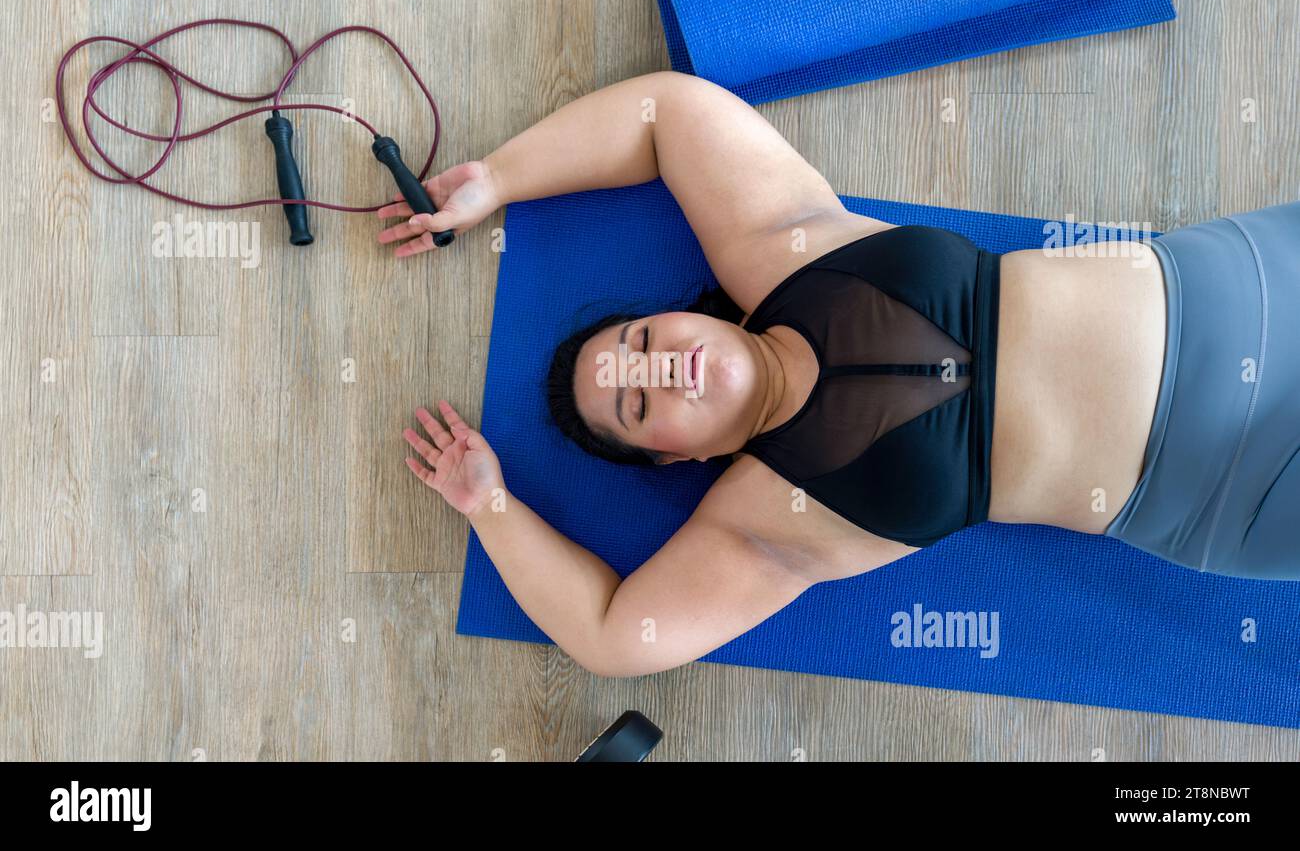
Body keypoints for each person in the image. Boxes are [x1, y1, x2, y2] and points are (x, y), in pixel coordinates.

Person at [377, 71, 1300, 677]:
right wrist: (488, 504)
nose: (664, 367)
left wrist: (497, 180)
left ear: (691, 313)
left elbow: (667, 114)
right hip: (1233, 490)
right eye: (637, 400)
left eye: (646, 340)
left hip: (1246, 292)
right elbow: (616, 636)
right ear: (670, 460)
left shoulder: (781, 249)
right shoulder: (761, 525)